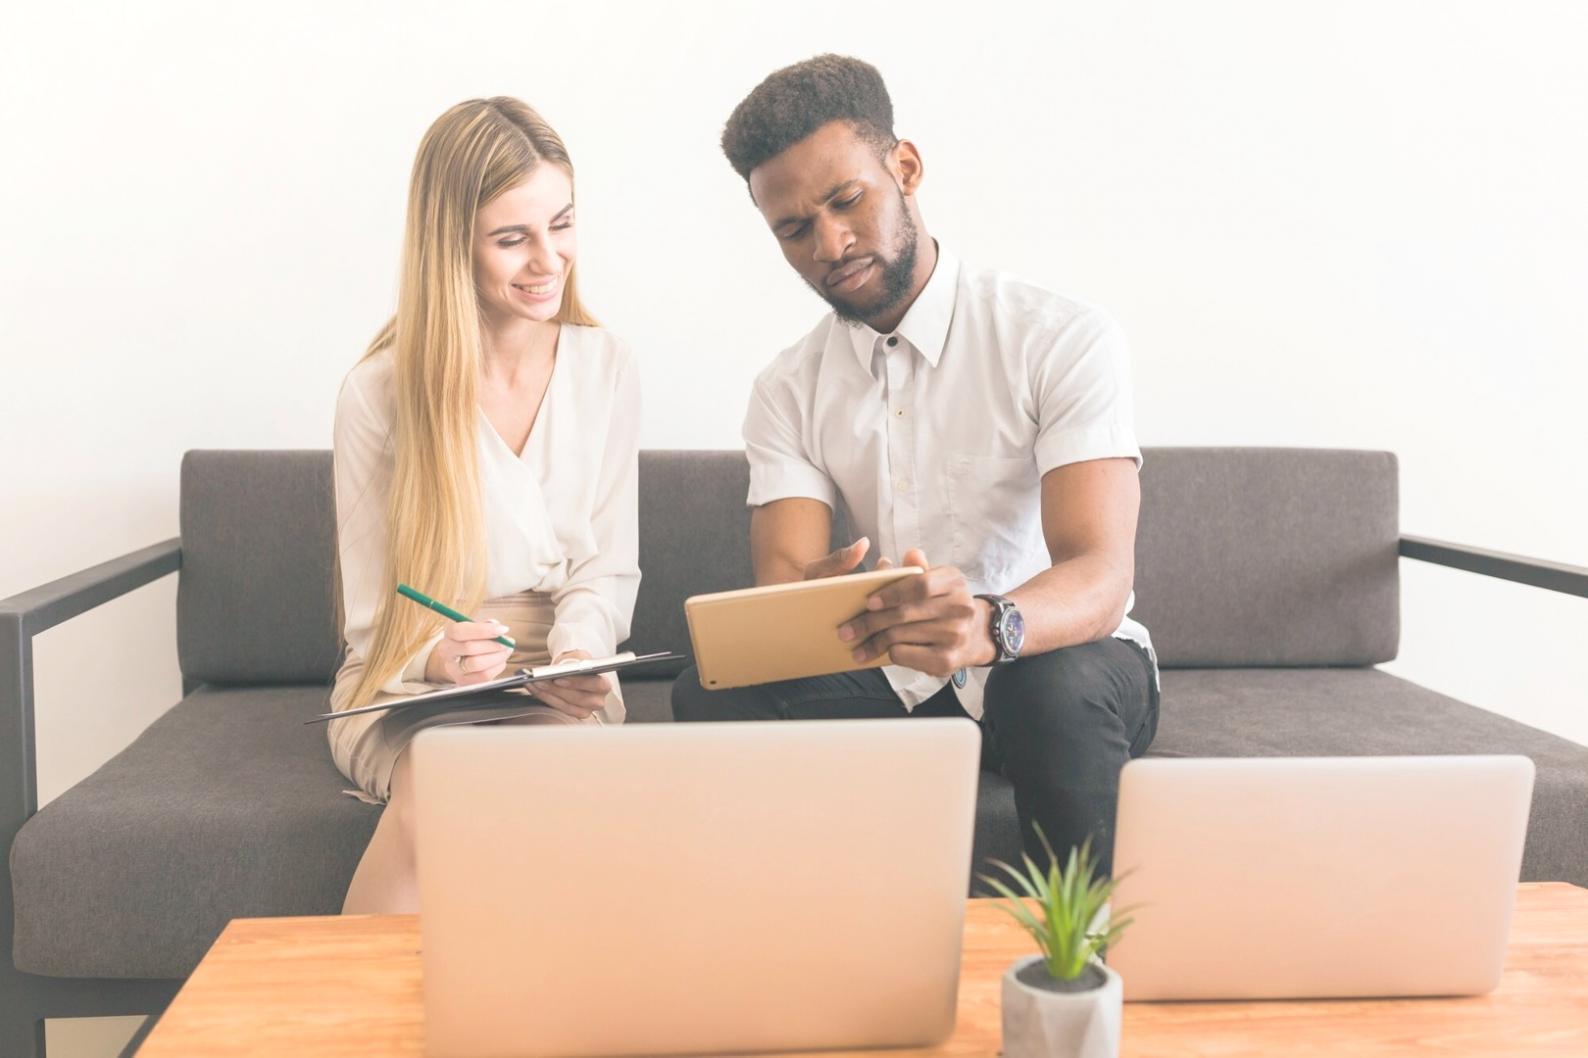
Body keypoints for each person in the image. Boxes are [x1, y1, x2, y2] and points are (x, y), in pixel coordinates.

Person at [671, 55, 1159, 877]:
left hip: (1048, 655)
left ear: (905, 167)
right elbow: (783, 585)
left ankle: (1078, 977)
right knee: (708, 691)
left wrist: (987, 625)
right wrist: (809, 599)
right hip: (890, 671)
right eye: (795, 229)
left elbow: (1101, 574)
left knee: (1047, 694)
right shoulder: (787, 388)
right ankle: (794, 962)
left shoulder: (1060, 337)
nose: (830, 243)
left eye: (845, 201)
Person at [329, 97, 640, 913]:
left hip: (556, 677)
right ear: (451, 245)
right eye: (513, 239)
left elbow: (605, 570)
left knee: (534, 777)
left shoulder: (604, 366)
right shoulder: (379, 393)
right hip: (410, 685)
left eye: (562, 224)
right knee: (440, 787)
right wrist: (436, 656)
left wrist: (578, 656)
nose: (549, 260)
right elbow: (370, 619)